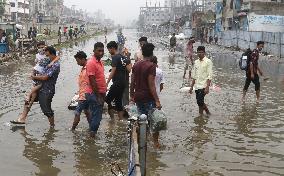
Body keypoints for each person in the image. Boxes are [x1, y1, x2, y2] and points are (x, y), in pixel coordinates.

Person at [11, 46, 60, 126]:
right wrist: (33, 73)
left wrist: (34, 77)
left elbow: (45, 77)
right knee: (28, 100)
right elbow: (37, 67)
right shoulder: (49, 60)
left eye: (47, 55)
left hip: (47, 90)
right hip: (40, 86)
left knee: (46, 109)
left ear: (52, 54)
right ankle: (22, 118)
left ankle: (52, 126)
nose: (46, 57)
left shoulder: (56, 65)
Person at [130, 43, 162, 148]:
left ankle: (141, 143)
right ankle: (156, 143)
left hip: (138, 97)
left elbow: (132, 82)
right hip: (148, 98)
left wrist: (131, 96)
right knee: (154, 121)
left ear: (142, 52)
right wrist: (157, 100)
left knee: (141, 120)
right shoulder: (151, 66)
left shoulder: (136, 64)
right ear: (152, 53)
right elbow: (151, 85)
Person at [25, 43, 60, 109]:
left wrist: (52, 62)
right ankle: (28, 97)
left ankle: (29, 104)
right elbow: (35, 67)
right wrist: (33, 75)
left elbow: (57, 57)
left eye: (43, 48)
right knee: (36, 88)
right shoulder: (39, 56)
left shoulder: (48, 55)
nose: (41, 49)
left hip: (42, 74)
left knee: (36, 89)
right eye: (39, 47)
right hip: (39, 73)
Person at [106, 41, 132, 120]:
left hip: (117, 83)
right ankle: (121, 120)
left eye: (109, 50)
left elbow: (113, 71)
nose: (109, 52)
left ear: (113, 48)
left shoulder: (115, 57)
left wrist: (107, 83)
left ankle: (112, 120)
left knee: (107, 100)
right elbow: (129, 70)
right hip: (123, 83)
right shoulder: (123, 57)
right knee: (118, 102)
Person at [86, 42, 107, 138]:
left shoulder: (100, 62)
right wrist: (98, 96)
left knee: (95, 115)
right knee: (97, 117)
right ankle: (92, 138)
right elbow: (92, 80)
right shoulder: (91, 62)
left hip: (100, 93)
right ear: (94, 51)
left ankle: (91, 133)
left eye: (102, 51)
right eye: (99, 51)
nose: (101, 53)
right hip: (94, 93)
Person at [189, 46, 213, 116]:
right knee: (199, 102)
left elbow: (209, 75)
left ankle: (204, 114)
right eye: (198, 52)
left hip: (204, 85)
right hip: (197, 86)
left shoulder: (208, 61)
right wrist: (191, 87)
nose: (200, 53)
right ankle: (203, 114)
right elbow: (194, 76)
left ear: (204, 53)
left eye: (201, 52)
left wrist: (207, 87)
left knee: (200, 101)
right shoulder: (196, 62)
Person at [71, 51, 91, 130]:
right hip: (83, 93)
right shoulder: (84, 68)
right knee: (87, 112)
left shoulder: (88, 68)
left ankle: (72, 129)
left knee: (77, 113)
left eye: (78, 61)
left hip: (84, 95)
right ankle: (92, 128)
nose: (77, 63)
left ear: (82, 59)